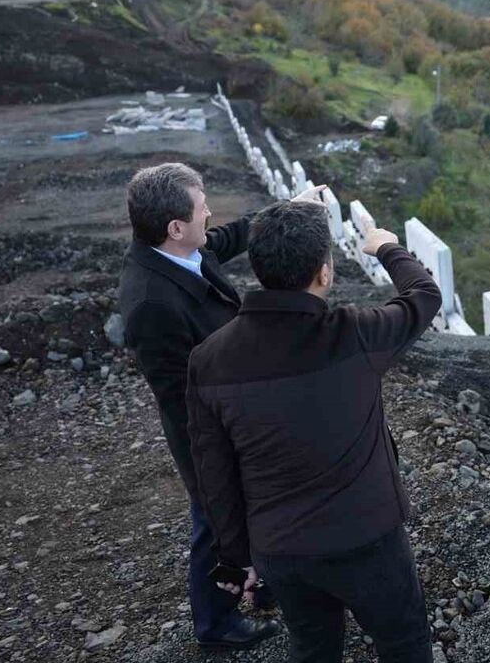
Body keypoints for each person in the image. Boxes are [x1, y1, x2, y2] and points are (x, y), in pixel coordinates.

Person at [185, 200, 441, 663]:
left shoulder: (208, 359)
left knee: (312, 647)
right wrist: (386, 247)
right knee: (403, 644)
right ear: (324, 273)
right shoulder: (357, 334)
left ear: (258, 267)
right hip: (369, 541)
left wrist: (235, 556)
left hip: (280, 551)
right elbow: (423, 295)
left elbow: (213, 473)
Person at [118, 162, 325, 649]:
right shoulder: (150, 304)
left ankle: (265, 581)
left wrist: (288, 209)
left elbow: (231, 237)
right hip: (207, 432)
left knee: (257, 503)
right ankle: (215, 626)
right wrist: (222, 454)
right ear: (175, 227)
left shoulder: (180, 250)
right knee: (215, 522)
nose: (209, 211)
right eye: (201, 205)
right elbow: (178, 398)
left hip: (237, 409)